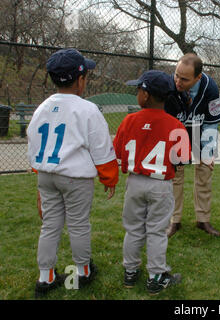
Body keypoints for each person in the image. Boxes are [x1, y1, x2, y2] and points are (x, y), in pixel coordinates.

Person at [27, 48, 119, 298]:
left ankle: (45, 276)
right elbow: (101, 148)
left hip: (46, 175)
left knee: (50, 225)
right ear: (80, 80)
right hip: (75, 178)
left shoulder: (42, 108)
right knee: (78, 225)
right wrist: (109, 177)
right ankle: (82, 271)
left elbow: (34, 144)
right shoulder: (87, 109)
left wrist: (39, 175)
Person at [114, 70, 190, 294]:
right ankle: (156, 277)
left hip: (135, 182)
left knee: (133, 228)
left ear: (146, 95)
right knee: (157, 231)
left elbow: (117, 151)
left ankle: (130, 271)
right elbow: (182, 159)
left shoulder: (129, 120)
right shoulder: (175, 124)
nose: (137, 93)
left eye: (139, 89)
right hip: (161, 184)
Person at [164, 53, 220, 237]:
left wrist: (207, 151)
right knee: (175, 175)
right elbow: (165, 122)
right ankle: (174, 221)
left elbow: (212, 123)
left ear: (198, 77)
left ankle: (203, 220)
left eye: (184, 79)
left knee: (205, 172)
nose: (178, 82)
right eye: (176, 75)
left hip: (200, 130)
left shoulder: (211, 88)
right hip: (177, 132)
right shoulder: (169, 87)